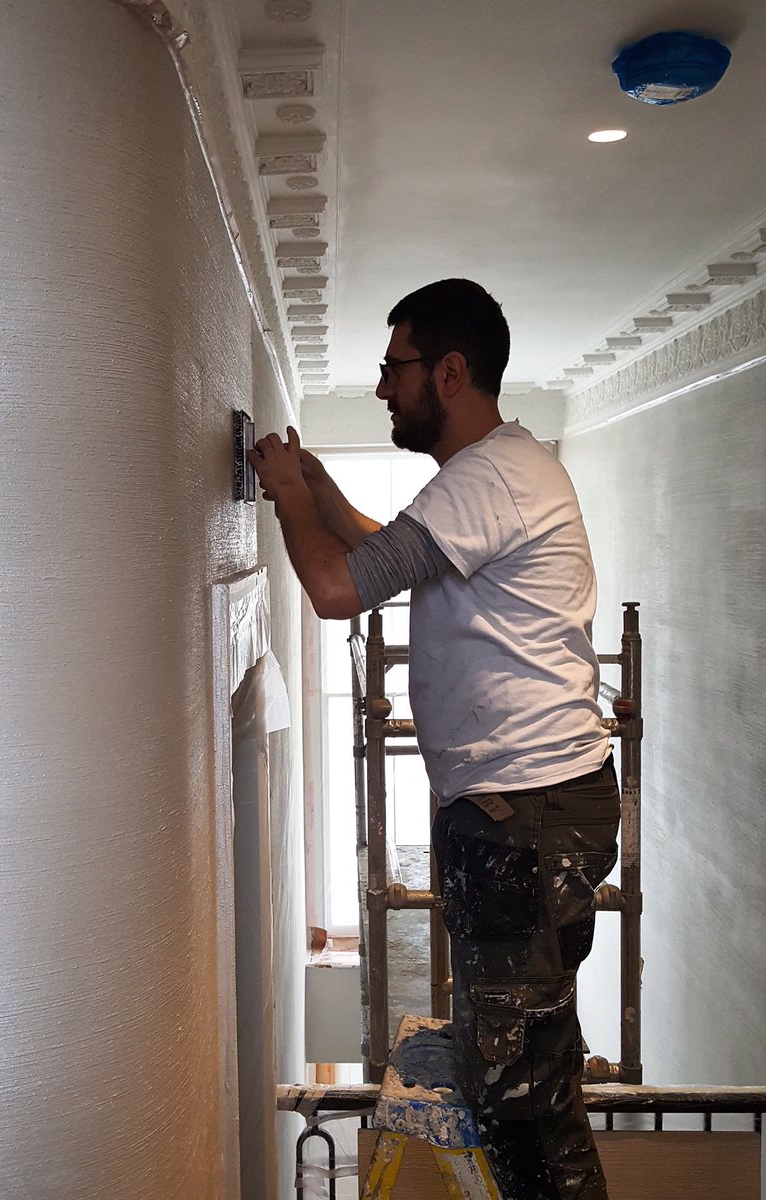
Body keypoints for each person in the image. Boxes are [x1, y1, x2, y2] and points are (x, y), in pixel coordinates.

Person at [248, 278, 619, 1200]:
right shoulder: (494, 477)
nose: (382, 387)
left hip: (527, 820)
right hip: (530, 812)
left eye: (394, 367)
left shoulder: (491, 476)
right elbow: (390, 549)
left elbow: (339, 588)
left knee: (520, 1095)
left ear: (449, 373)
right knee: (525, 1064)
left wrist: (289, 494)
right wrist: (322, 493)